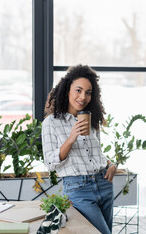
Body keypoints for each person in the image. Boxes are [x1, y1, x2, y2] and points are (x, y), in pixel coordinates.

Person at [42, 64, 117, 234]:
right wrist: (71, 138)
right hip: (78, 189)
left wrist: (111, 164)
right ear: (68, 89)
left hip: (104, 184)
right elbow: (50, 163)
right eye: (78, 90)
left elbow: (97, 154)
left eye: (88, 92)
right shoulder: (51, 123)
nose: (83, 96)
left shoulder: (92, 120)